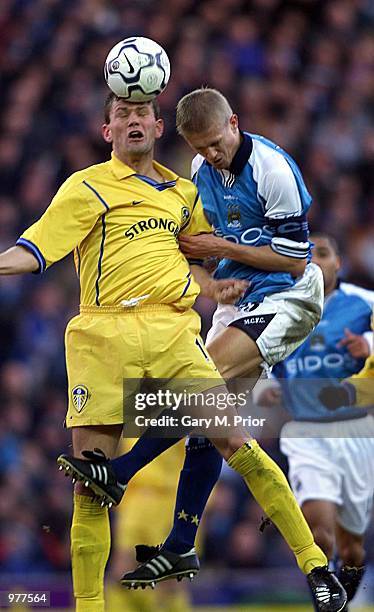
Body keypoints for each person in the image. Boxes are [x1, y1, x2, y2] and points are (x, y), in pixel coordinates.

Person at [59, 89, 347, 612]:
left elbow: (294, 261)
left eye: (217, 144)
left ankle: (120, 473)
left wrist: (218, 251)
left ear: (234, 123)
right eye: (202, 148)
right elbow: (194, 240)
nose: (211, 156)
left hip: (288, 295)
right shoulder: (197, 172)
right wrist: (209, 282)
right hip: (241, 302)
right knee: (213, 429)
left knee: (200, 384)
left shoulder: (273, 170)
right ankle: (200, 548)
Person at [258, 234, 374, 606]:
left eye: (323, 254)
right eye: (308, 257)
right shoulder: (283, 308)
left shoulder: (364, 302)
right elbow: (257, 356)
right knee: (319, 535)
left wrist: (369, 344)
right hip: (306, 432)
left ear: (339, 262)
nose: (316, 263)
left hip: (358, 434)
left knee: (351, 549)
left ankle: (344, 598)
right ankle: (323, 604)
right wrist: (265, 386)